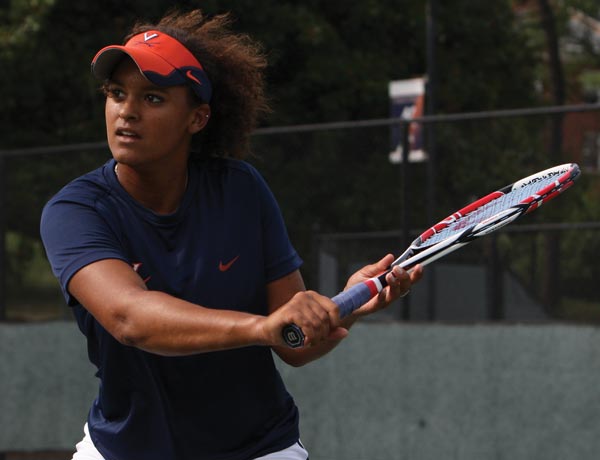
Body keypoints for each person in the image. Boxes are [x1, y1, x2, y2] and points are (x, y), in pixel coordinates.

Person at [40, 8, 422, 460]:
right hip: (123, 448)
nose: (127, 111)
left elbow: (294, 346)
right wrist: (261, 328)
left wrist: (348, 304)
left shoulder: (240, 189)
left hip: (258, 448)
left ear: (197, 118)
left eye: (153, 98)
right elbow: (130, 318)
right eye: (117, 93)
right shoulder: (76, 211)